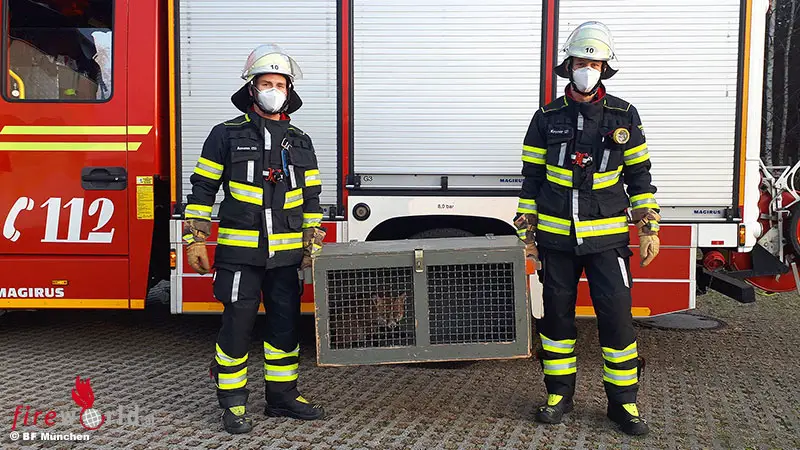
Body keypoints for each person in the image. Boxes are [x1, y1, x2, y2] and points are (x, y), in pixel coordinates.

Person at [514, 21, 660, 436]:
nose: (587, 70)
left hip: (608, 243)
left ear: (605, 68)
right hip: (557, 242)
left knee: (617, 321)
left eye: (594, 64)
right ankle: (559, 396)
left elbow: (640, 176)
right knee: (556, 322)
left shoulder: (624, 115)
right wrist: (527, 238)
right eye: (581, 62)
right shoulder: (546, 118)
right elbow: (531, 180)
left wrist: (649, 226)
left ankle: (623, 404)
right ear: (568, 66)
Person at [182, 44, 327, 434]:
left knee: (285, 328)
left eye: (280, 84)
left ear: (289, 90)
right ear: (252, 88)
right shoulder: (225, 135)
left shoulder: (300, 140)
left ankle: (282, 396)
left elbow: (311, 197)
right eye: (266, 83)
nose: (273, 90)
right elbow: (202, 188)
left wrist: (312, 243)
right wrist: (195, 239)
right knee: (237, 326)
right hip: (239, 256)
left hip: (286, 258)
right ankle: (232, 402)